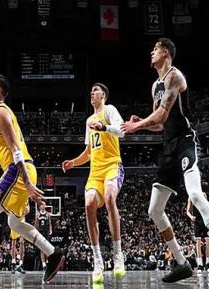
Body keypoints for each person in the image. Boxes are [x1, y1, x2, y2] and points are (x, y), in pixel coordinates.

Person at [121, 38, 209, 285]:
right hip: (168, 147)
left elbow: (162, 114)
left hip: (186, 142)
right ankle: (181, 262)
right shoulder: (155, 85)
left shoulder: (175, 77)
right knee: (154, 210)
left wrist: (138, 125)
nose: (151, 52)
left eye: (155, 48)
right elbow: (159, 124)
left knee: (195, 194)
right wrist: (141, 122)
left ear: (166, 52)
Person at [0, 74, 65, 285]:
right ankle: (53, 253)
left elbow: (16, 150)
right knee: (14, 223)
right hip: (25, 169)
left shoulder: (1, 112)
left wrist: (26, 182)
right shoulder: (0, 113)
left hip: (19, 169)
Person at [62, 83, 126, 284]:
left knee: (109, 197)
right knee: (89, 204)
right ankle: (98, 260)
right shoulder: (89, 120)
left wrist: (104, 127)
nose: (92, 93)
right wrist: (73, 162)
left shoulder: (109, 110)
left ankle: (118, 254)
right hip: (95, 172)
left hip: (112, 165)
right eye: (91, 91)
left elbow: (122, 131)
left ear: (104, 95)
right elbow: (89, 152)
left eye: (96, 91)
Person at [186, 194, 209, 275]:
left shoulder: (204, 194)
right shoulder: (191, 196)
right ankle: (200, 264)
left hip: (206, 220)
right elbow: (188, 211)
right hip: (197, 221)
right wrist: (191, 217)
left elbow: (207, 207)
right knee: (198, 242)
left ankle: (208, 263)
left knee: (208, 242)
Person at [11, 203, 29, 274]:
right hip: (14, 221)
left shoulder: (26, 199)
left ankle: (21, 264)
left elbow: (27, 210)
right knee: (13, 242)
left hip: (22, 222)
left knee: (22, 242)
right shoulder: (14, 199)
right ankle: (13, 263)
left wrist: (26, 211)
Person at [35, 203, 53, 269]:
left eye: (43, 205)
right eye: (41, 205)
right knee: (42, 247)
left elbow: (50, 223)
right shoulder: (38, 214)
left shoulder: (47, 214)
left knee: (47, 246)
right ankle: (43, 263)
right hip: (40, 232)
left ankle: (47, 260)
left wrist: (50, 230)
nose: (42, 206)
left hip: (46, 231)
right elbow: (36, 224)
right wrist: (35, 231)